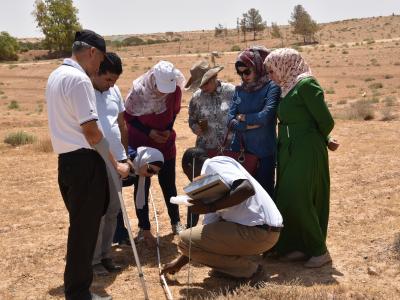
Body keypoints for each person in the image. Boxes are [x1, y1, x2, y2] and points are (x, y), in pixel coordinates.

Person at [46, 30, 130, 300]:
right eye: (101, 58)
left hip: (66, 163)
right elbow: (92, 133)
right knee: (84, 232)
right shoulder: (80, 80)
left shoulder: (55, 75)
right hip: (84, 163)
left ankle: (77, 289)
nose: (99, 66)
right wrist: (115, 164)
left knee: (79, 230)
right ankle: (79, 293)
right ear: (92, 52)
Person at [264, 48, 339, 268]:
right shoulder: (287, 87)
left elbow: (325, 120)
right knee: (286, 198)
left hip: (306, 149)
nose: (270, 76)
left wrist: (320, 138)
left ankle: (319, 250)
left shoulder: (306, 85)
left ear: (285, 65)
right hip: (288, 149)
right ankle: (297, 246)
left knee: (301, 197)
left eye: (272, 71)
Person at [161, 148, 283, 280]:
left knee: (184, 239)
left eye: (187, 174)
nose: (190, 180)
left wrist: (209, 207)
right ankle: (232, 270)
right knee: (190, 240)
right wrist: (178, 264)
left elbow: (246, 189)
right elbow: (201, 240)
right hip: (264, 233)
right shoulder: (212, 183)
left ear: (191, 166)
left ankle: (250, 271)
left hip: (259, 232)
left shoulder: (214, 164)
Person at [124, 60, 186, 246]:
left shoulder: (174, 90)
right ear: (153, 79)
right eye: (161, 88)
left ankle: (176, 222)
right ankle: (144, 228)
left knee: (169, 184)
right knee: (142, 185)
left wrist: (168, 129)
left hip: (165, 144)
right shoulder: (138, 92)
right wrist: (149, 132)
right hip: (142, 146)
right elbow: (127, 117)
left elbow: (174, 112)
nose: (163, 93)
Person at [91, 52, 128, 276]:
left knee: (114, 210)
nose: (111, 84)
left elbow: (122, 124)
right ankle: (93, 260)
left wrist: (125, 153)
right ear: (97, 72)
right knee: (98, 212)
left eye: (115, 80)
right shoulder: (85, 91)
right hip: (96, 160)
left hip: (118, 160)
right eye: (108, 79)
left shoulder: (114, 91)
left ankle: (106, 255)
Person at [187, 60, 235, 227]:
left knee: (229, 189)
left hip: (230, 151)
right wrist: (196, 128)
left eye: (206, 82)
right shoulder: (196, 99)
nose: (203, 87)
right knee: (201, 190)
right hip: (205, 151)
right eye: (200, 85)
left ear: (215, 76)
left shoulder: (232, 92)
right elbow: (191, 120)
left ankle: (228, 225)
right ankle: (191, 230)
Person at [228, 46, 281, 198]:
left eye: (247, 71)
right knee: (243, 198)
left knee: (265, 196)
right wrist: (249, 124)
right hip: (241, 152)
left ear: (257, 67)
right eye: (240, 73)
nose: (243, 76)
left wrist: (242, 117)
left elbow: (265, 117)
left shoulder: (272, 87)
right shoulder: (239, 90)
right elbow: (229, 120)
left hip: (264, 154)